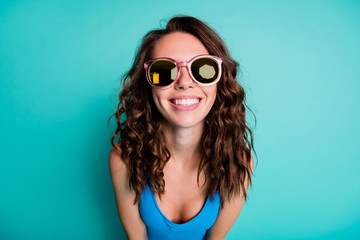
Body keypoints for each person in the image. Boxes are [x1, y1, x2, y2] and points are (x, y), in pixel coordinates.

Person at [108, 15, 256, 240]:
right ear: (148, 86)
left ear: (220, 81)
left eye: (202, 69)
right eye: (165, 71)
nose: (185, 82)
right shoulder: (125, 158)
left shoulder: (238, 161)